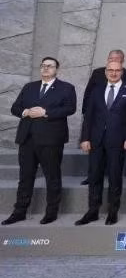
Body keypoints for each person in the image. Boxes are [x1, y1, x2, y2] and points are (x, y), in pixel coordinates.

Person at [2, 57, 76, 226]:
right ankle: (19, 212)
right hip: (27, 139)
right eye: (43, 66)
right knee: (25, 177)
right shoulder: (29, 87)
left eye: (50, 66)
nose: (45, 68)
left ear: (57, 69)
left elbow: (70, 108)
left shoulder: (66, 88)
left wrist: (45, 112)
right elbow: (15, 107)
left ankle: (51, 212)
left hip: (51, 140)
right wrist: (26, 112)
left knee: (52, 176)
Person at [76, 61, 126, 226]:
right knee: (94, 176)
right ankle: (93, 211)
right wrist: (85, 138)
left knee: (114, 176)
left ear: (122, 72)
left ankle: (112, 211)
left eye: (117, 70)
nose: (113, 73)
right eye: (110, 70)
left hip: (118, 141)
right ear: (105, 72)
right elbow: (88, 117)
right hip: (96, 140)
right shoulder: (97, 90)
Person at [80, 49, 126, 185]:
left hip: (117, 130)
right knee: (95, 169)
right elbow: (89, 98)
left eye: (117, 59)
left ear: (122, 63)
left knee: (115, 171)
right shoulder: (97, 75)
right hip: (98, 128)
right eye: (111, 59)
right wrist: (85, 133)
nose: (113, 71)